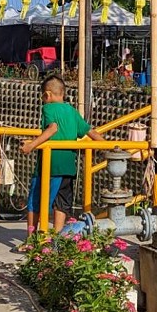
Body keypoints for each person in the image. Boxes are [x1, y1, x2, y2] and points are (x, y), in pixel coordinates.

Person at [21, 75, 103, 235]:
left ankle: (32, 239)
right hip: (69, 167)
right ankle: (57, 238)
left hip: (50, 165)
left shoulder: (48, 108)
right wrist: (109, 148)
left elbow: (52, 128)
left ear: (47, 95)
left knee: (36, 201)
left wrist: (31, 145)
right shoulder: (72, 111)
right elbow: (90, 132)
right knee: (62, 202)